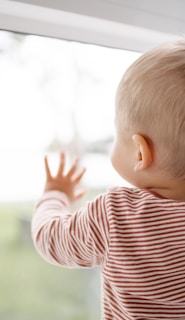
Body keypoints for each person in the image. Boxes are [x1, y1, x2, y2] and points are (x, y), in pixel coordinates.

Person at [31, 40, 185, 320]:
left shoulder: (116, 213)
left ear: (141, 152)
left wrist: (55, 195)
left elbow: (50, 238)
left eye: (117, 131)